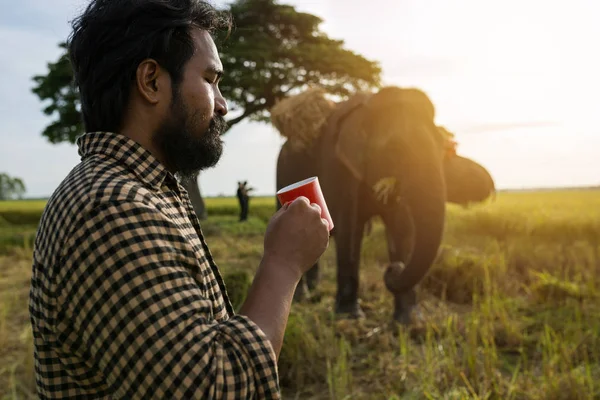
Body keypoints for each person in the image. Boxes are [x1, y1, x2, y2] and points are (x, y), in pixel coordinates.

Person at [28, 1, 330, 399]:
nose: (223, 104)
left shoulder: (140, 191)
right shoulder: (112, 210)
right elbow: (211, 389)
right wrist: (283, 263)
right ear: (151, 81)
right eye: (210, 79)